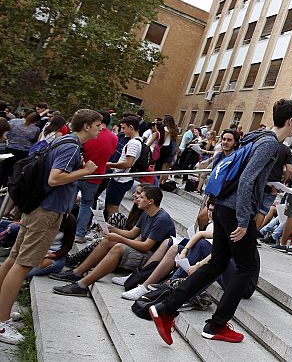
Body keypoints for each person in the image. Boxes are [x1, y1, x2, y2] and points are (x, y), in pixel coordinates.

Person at [149, 99, 292, 345]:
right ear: (290, 121)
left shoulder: (256, 137)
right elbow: (246, 181)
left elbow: (247, 176)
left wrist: (267, 188)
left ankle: (168, 307)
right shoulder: (270, 144)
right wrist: (244, 220)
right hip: (235, 211)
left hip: (223, 206)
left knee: (218, 262)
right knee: (247, 268)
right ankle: (217, 324)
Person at [0, 109, 101, 344]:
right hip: (46, 212)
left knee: (14, 260)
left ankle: (1, 311)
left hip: (38, 208)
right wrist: (85, 171)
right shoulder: (72, 146)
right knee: (23, 265)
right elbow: (54, 179)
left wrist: (78, 171)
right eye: (98, 125)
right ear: (86, 126)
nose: (101, 129)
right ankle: (2, 323)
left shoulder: (63, 140)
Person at [52, 185, 176, 296]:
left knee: (117, 247)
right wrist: (111, 229)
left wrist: (119, 238)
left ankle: (82, 285)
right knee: (107, 241)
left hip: (152, 260)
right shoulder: (146, 213)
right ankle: (77, 272)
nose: (137, 198)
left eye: (142, 197)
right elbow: (131, 233)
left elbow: (146, 246)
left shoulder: (161, 219)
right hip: (144, 252)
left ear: (151, 201)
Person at [75, 110, 118, 242]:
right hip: (95, 176)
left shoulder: (85, 134)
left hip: (76, 173)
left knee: (68, 200)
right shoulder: (113, 138)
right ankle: (79, 233)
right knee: (87, 204)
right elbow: (110, 153)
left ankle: (63, 228)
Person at [105, 116, 143, 217]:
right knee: (111, 206)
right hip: (121, 178)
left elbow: (128, 163)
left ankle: (111, 228)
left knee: (112, 207)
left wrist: (110, 165)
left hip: (120, 179)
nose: (123, 131)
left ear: (131, 127)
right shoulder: (136, 141)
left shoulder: (134, 143)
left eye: (124, 128)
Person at [0, 110, 40, 186]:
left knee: (4, 170)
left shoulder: (13, 121)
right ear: (36, 121)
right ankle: (7, 188)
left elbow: (6, 134)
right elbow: (34, 141)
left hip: (10, 149)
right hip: (23, 153)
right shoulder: (36, 129)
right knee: (15, 172)